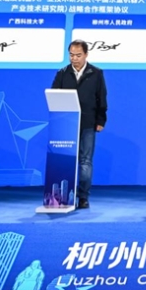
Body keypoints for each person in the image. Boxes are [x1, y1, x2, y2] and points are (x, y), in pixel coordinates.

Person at [51, 40, 107, 210]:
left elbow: (101, 98)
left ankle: (83, 197)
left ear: (86, 55)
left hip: (88, 122)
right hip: (65, 124)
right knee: (64, 159)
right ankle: (62, 196)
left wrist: (101, 120)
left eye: (78, 55)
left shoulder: (96, 73)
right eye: (71, 55)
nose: (74, 58)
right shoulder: (62, 73)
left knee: (85, 161)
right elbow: (54, 96)